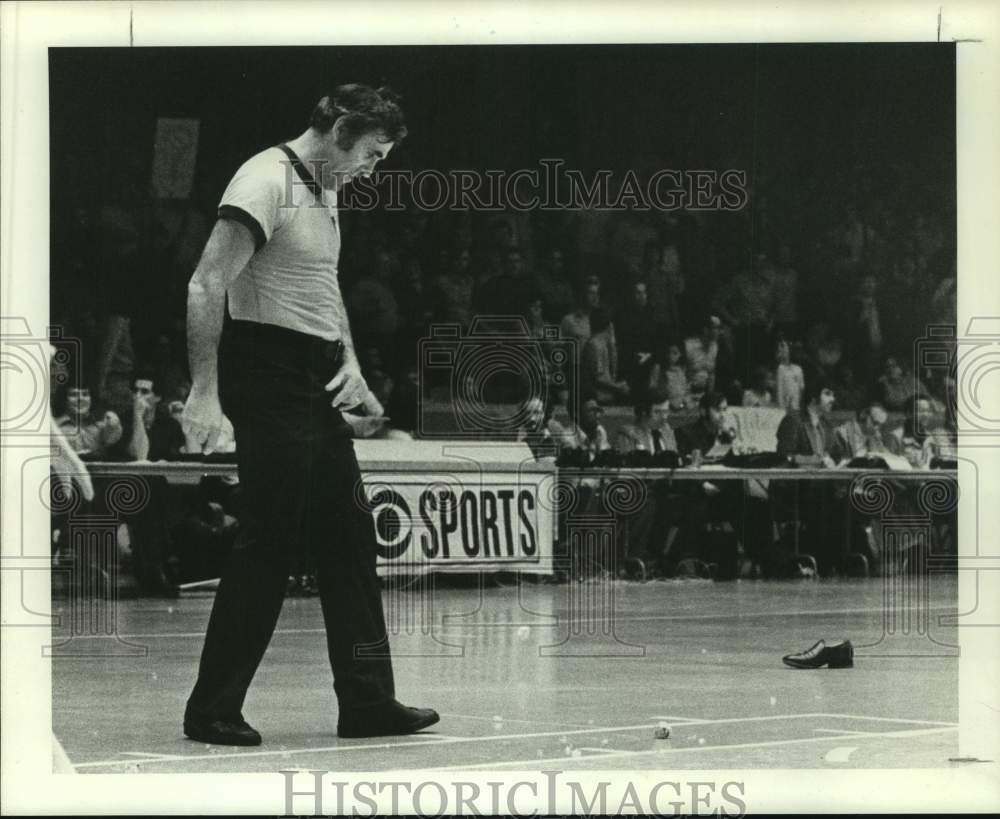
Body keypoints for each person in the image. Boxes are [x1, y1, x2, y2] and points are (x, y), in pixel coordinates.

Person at [180, 84, 438, 746]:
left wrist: (348, 359)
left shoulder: (324, 189)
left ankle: (367, 702)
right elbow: (207, 283)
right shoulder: (265, 180)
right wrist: (204, 391)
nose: (371, 169)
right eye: (371, 154)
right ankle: (211, 709)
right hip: (266, 373)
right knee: (270, 539)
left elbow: (320, 284)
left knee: (350, 538)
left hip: (311, 376)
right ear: (341, 131)